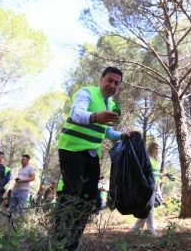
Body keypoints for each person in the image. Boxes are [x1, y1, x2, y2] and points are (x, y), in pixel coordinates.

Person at [55, 66, 133, 250]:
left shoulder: (111, 105)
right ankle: (59, 240)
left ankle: (72, 242)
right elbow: (77, 114)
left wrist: (122, 135)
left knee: (88, 199)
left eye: (117, 83)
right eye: (110, 80)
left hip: (91, 154)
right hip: (71, 149)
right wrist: (96, 116)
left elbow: (105, 132)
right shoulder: (87, 93)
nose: (112, 85)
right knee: (72, 193)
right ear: (101, 80)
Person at [132, 142, 162, 237]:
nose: (157, 150)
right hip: (148, 185)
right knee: (149, 207)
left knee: (147, 207)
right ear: (151, 148)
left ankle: (136, 228)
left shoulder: (156, 159)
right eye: (155, 148)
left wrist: (161, 176)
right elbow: (145, 172)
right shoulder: (147, 158)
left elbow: (154, 173)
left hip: (155, 185)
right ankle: (151, 230)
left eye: (158, 148)